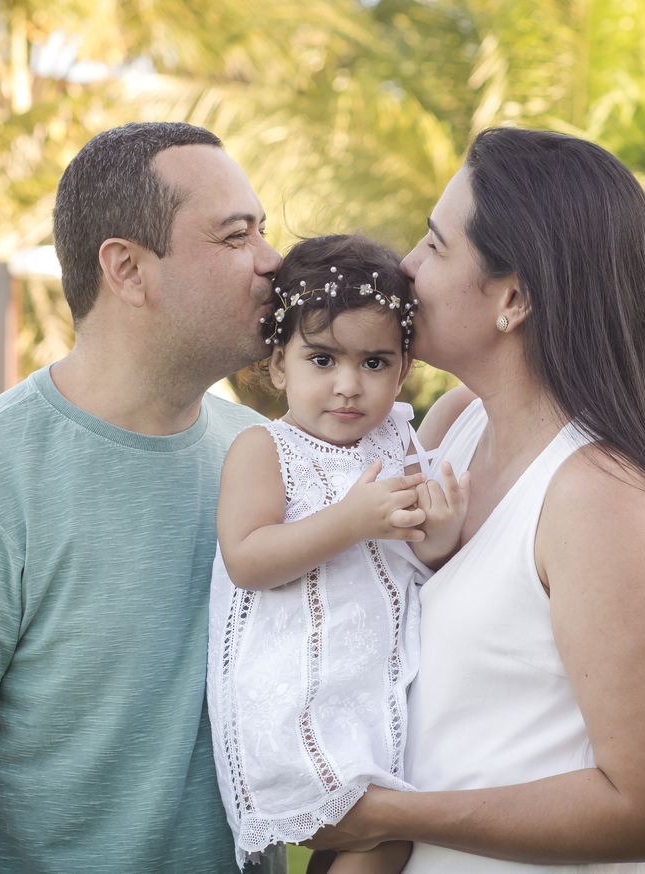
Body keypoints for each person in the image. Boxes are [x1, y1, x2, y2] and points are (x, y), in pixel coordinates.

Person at [303, 127, 645, 872]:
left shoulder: (596, 499)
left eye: (436, 245)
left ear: (513, 298)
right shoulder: (453, 428)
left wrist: (386, 814)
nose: (406, 267)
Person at [0, 122, 287, 873]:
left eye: (262, 229)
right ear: (127, 269)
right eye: (235, 236)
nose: (271, 260)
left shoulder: (268, 456)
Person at [207, 234, 471, 874]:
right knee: (384, 837)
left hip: (368, 697)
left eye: (374, 363)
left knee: (376, 837)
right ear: (279, 365)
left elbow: (415, 555)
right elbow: (247, 558)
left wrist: (438, 534)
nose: (348, 386)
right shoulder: (265, 449)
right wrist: (349, 520)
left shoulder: (397, 441)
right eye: (322, 360)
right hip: (295, 700)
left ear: (403, 370)